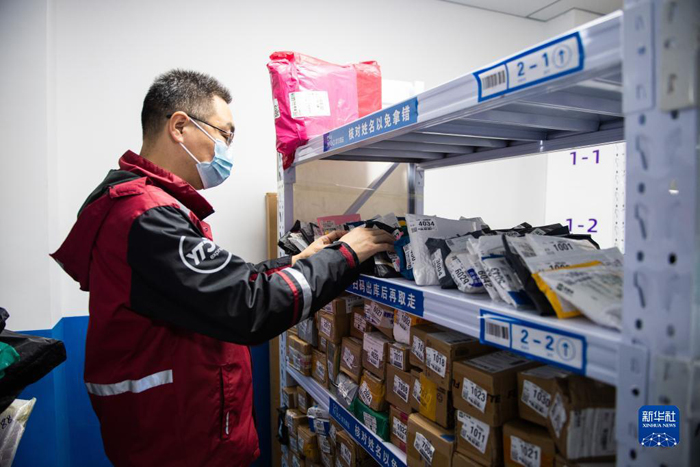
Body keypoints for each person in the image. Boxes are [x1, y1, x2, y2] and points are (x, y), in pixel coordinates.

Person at [51, 69, 395, 466]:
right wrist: (345, 255)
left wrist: (298, 260)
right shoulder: (146, 216)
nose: (227, 149)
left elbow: (220, 284)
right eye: (224, 134)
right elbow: (248, 306)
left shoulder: (147, 208)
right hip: (176, 443)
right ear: (180, 126)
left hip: (172, 431)